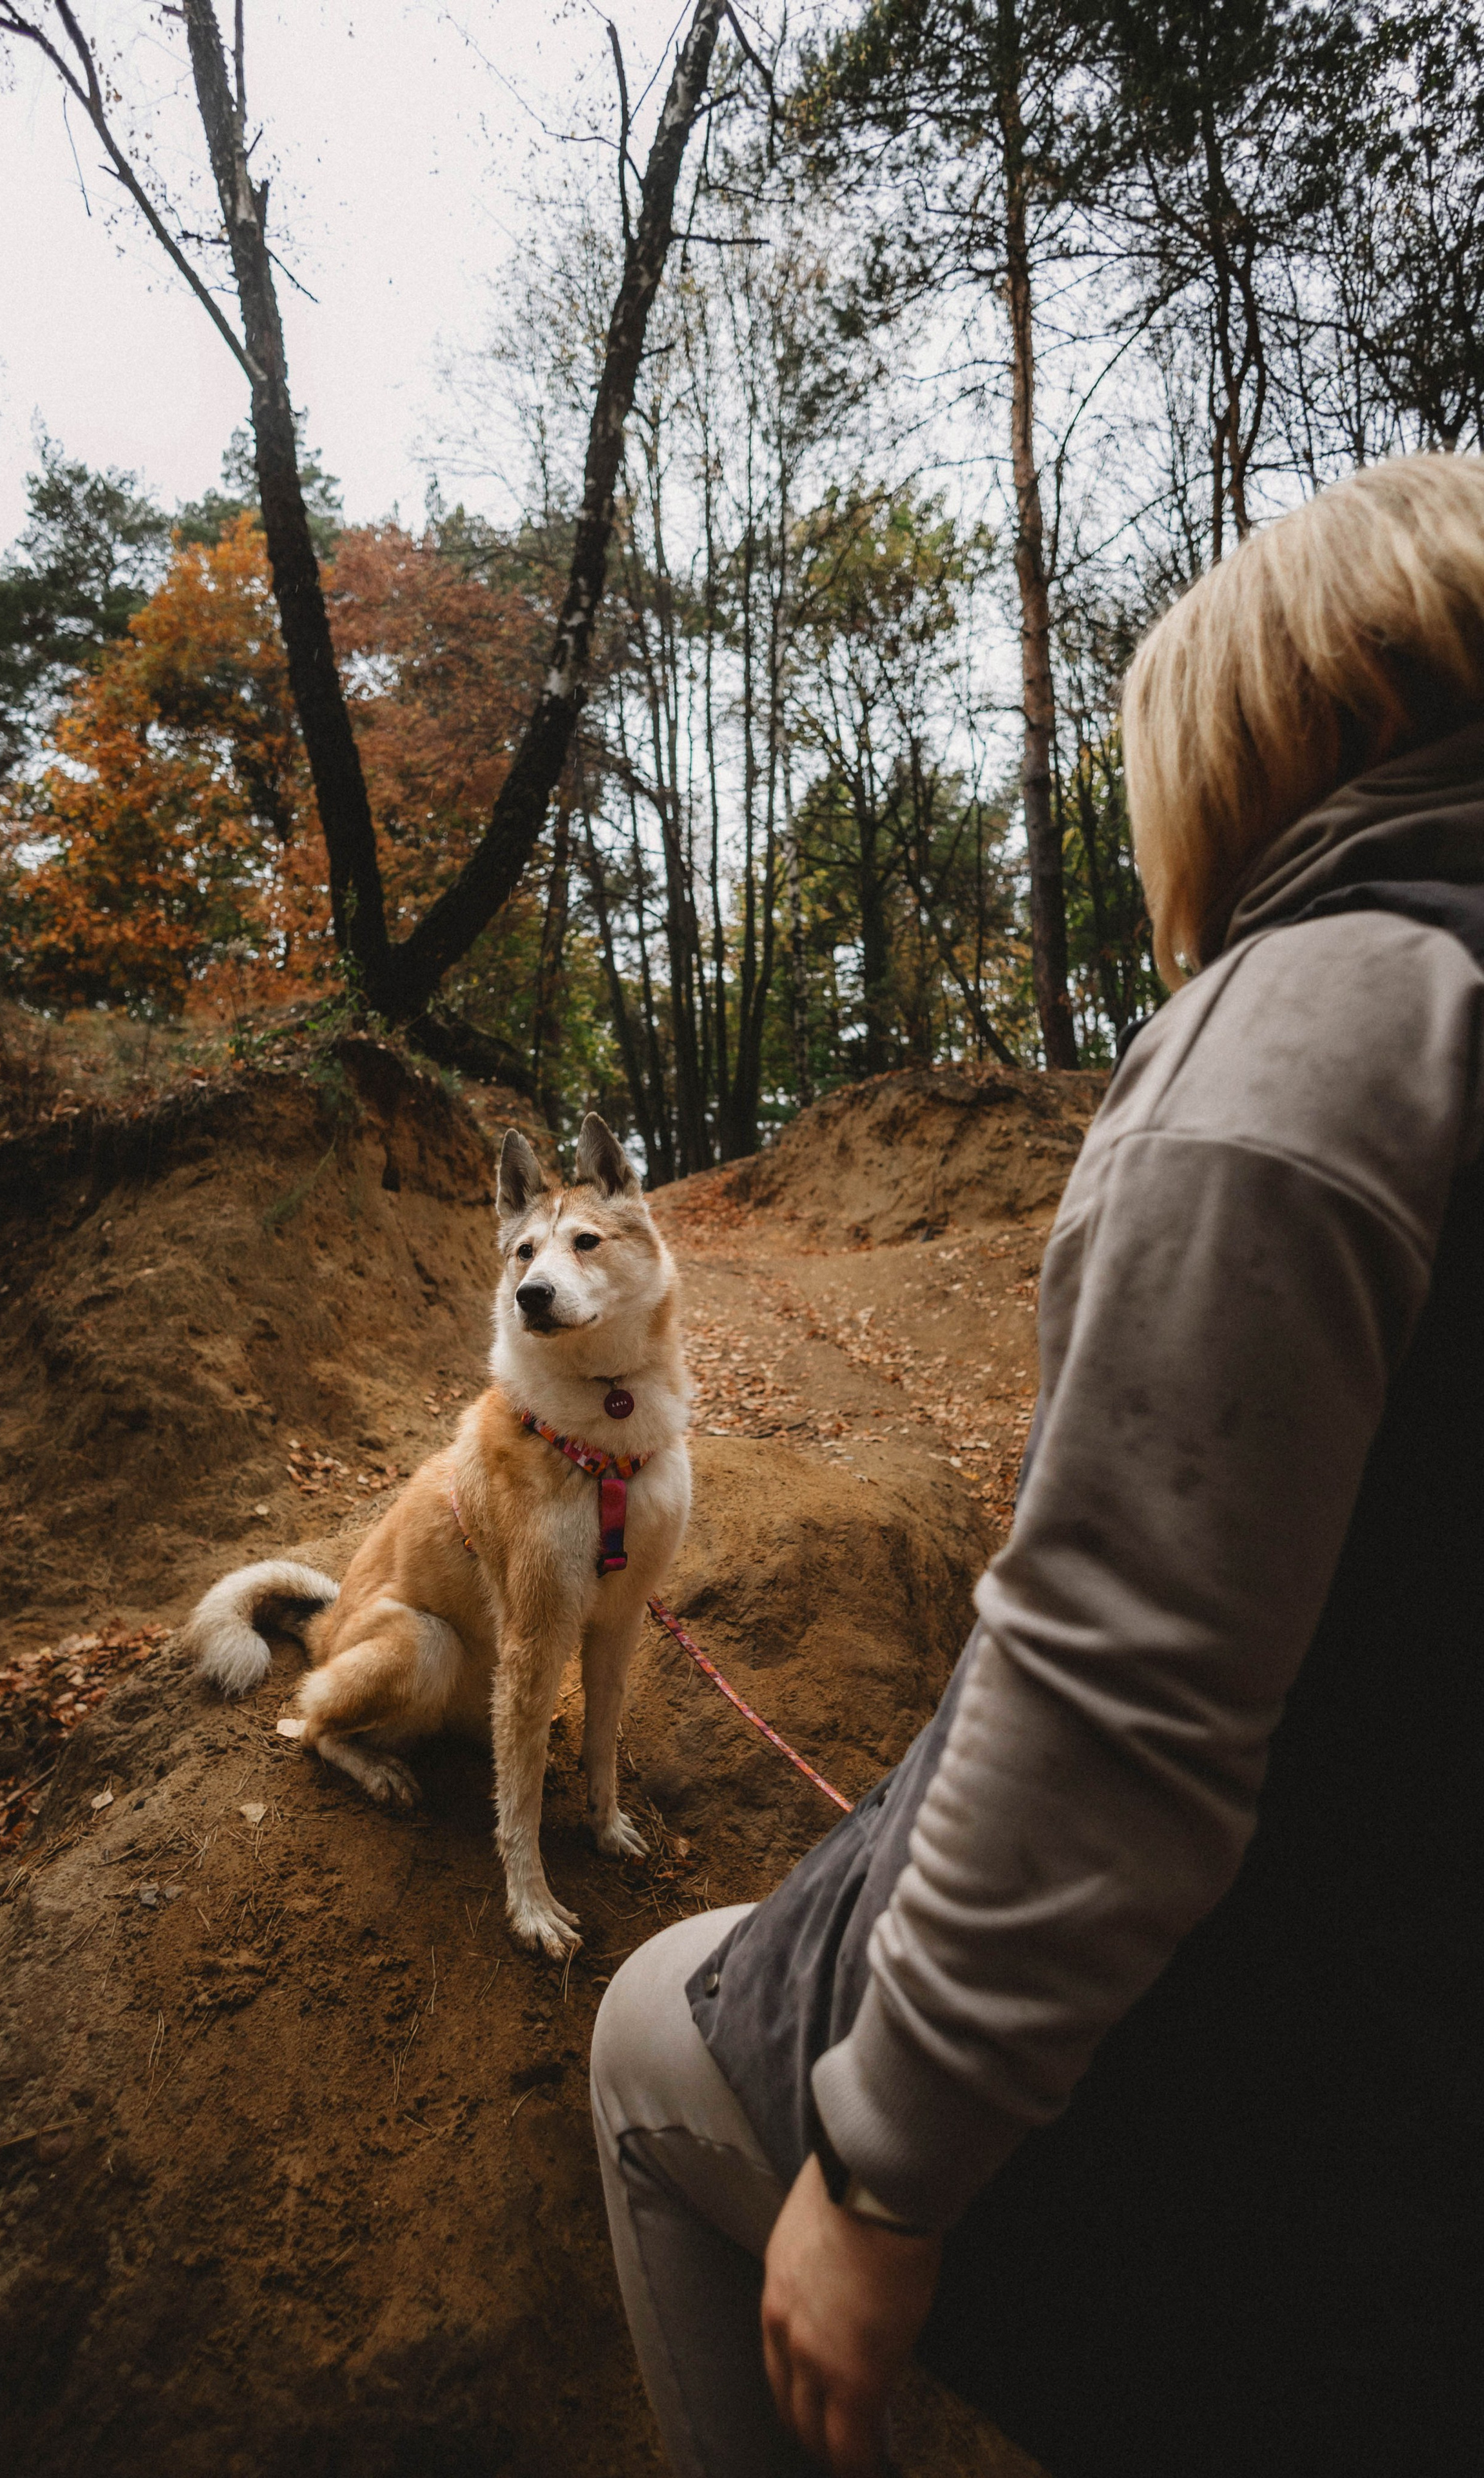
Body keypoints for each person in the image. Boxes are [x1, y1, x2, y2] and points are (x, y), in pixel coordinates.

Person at [590, 452, 1484, 2478]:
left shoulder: (1315, 1019)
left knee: (653, 2036)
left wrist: (881, 2173)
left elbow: (1118, 1682)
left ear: (1263, 741)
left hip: (1307, 2085)